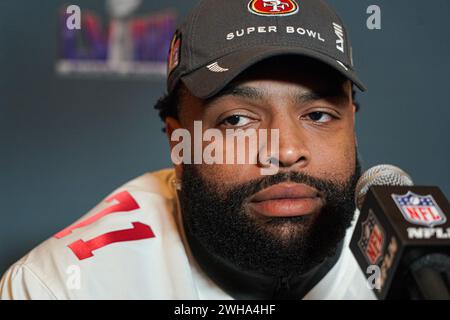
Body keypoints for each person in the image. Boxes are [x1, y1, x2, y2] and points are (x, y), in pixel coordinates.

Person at [0, 0, 376, 299]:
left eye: (319, 115)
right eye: (237, 121)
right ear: (179, 146)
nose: (288, 150)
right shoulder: (64, 287)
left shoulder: (418, 269)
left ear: (354, 129)